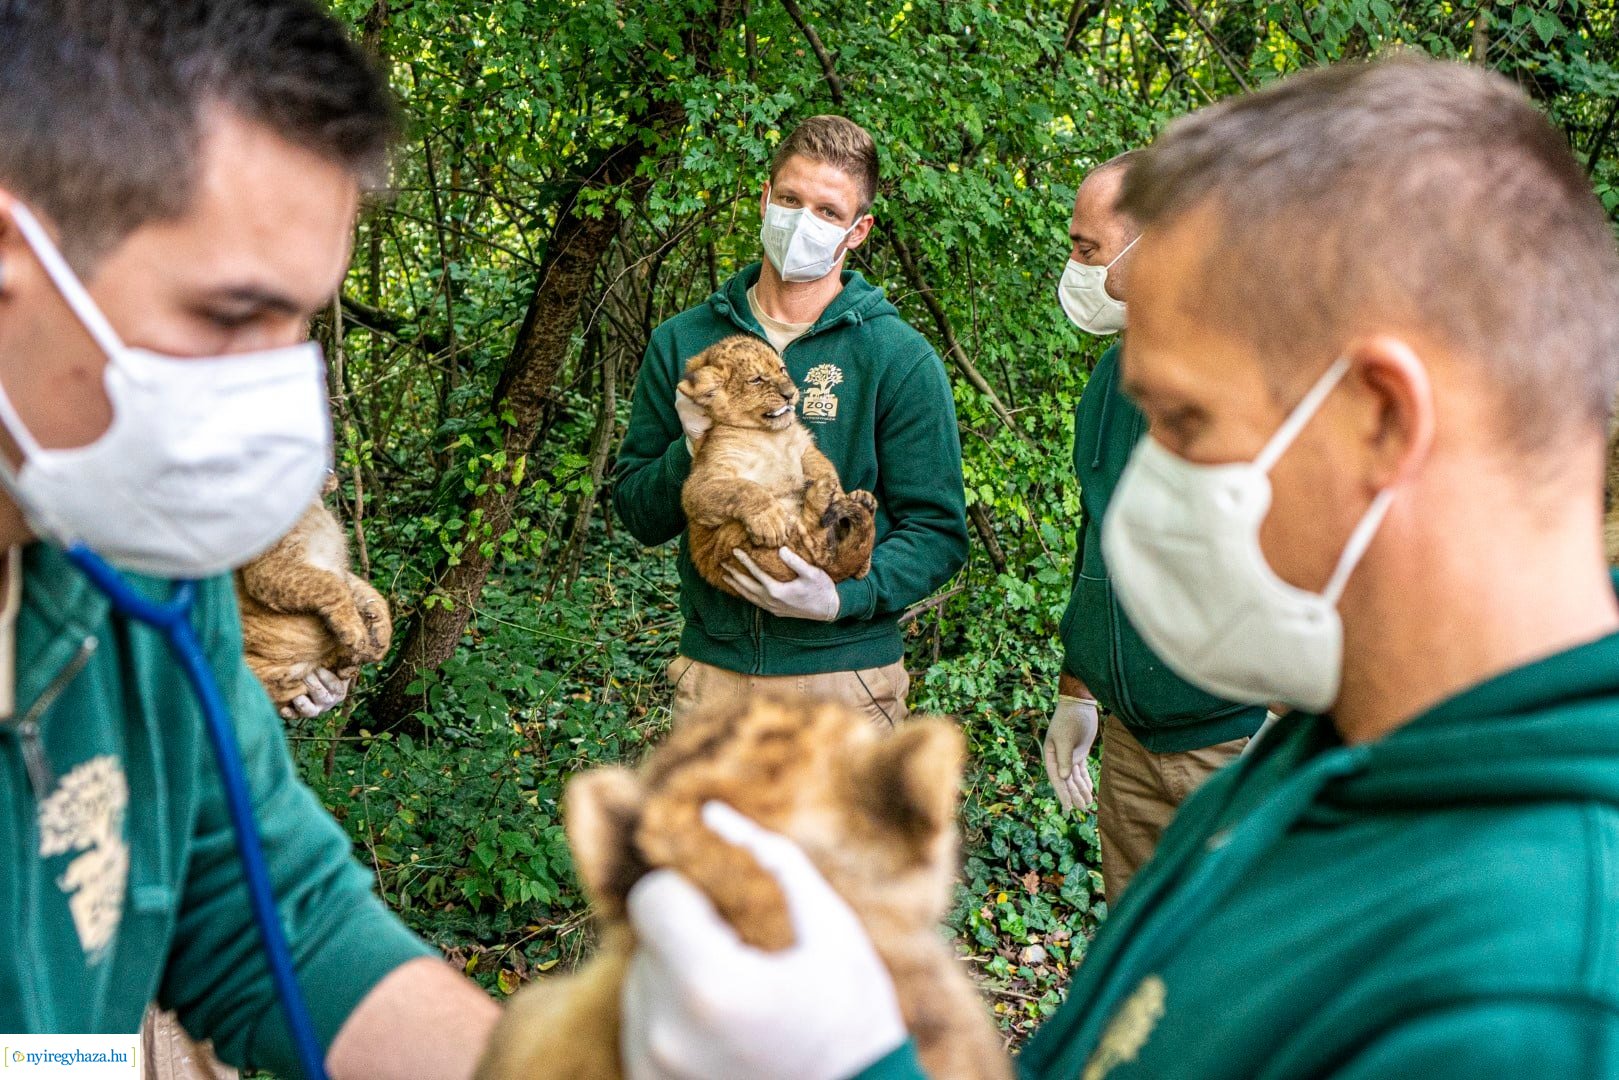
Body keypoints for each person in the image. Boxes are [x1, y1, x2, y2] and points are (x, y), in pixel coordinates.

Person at [616, 55, 1619, 1080]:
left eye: (1184, 421)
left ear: (1381, 421)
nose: (1147, 500)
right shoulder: (1305, 778)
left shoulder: (1524, 996)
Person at [0, 3, 497, 1077]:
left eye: (299, 327)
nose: (280, 396)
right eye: (230, 318)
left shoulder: (136, 572)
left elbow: (277, 920)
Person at [614, 116, 968, 729]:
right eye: (790, 199)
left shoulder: (896, 356)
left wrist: (841, 599)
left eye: (828, 212)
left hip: (845, 682)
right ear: (765, 199)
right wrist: (690, 445)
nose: (802, 221)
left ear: (858, 232)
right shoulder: (686, 343)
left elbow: (938, 530)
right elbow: (638, 514)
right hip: (715, 678)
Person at [1046, 151, 1265, 903]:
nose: (1071, 268)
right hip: (1131, 746)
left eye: (1086, 250)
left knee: (1232, 978)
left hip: (1232, 746)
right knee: (1135, 973)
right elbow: (1098, 536)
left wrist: (1283, 719)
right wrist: (1077, 690)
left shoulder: (1242, 380)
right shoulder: (1111, 380)